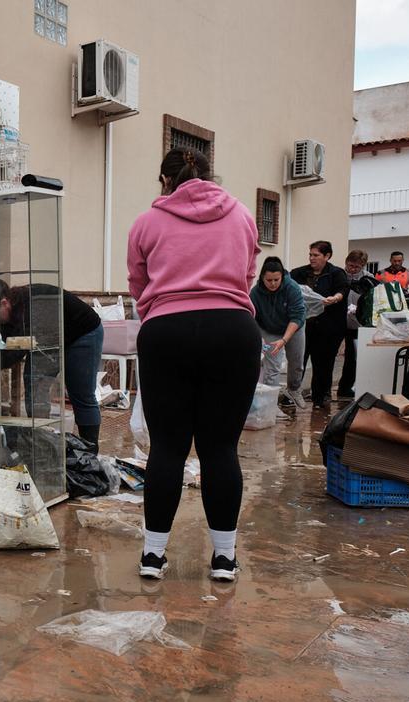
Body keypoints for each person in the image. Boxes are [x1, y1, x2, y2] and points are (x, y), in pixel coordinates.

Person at [126, 147, 260, 583]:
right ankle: (223, 559)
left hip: (166, 333)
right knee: (220, 447)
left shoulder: (147, 222)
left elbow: (138, 283)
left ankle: (152, 556)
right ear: (209, 175)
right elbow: (247, 276)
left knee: (167, 447)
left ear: (166, 181)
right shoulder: (242, 215)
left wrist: (168, 307)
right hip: (232, 331)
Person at [0, 282, 105, 449]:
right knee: (33, 381)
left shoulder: (31, 307)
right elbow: (9, 346)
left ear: (4, 303)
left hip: (82, 333)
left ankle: (90, 451)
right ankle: (42, 443)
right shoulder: (7, 315)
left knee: (80, 394)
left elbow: (17, 350)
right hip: (50, 339)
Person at [290, 241, 349, 410]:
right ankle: (292, 394)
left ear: (327, 256)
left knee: (323, 363)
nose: (311, 258)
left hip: (328, 328)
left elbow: (343, 290)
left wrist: (335, 298)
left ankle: (321, 397)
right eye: (310, 254)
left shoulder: (336, 274)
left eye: (316, 255)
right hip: (303, 327)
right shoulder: (299, 273)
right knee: (298, 361)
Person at [249, 257, 306, 402]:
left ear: (282, 277)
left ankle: (294, 390)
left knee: (296, 362)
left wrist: (284, 340)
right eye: (269, 280)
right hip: (269, 329)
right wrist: (259, 337)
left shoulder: (292, 288)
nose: (273, 283)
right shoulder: (255, 293)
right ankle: (270, 402)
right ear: (262, 278)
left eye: (276, 279)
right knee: (272, 367)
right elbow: (251, 316)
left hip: (293, 327)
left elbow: (297, 316)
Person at [339, 249, 376, 400]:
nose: (353, 269)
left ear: (363, 265)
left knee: (352, 358)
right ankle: (323, 390)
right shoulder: (339, 275)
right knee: (327, 357)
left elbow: (372, 300)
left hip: (357, 324)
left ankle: (345, 388)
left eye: (357, 267)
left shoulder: (368, 278)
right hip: (338, 321)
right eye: (350, 265)